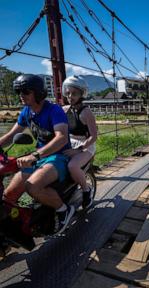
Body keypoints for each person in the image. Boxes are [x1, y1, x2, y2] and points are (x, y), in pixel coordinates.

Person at [0, 74, 74, 234]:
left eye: (25, 91)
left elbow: (61, 138)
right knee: (8, 196)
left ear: (38, 93)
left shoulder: (54, 110)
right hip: (40, 156)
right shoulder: (26, 112)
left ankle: (63, 209)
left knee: (32, 187)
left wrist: (35, 156)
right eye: (19, 91)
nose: (21, 95)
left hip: (58, 156)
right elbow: (11, 135)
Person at [62, 76, 97, 209]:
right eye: (68, 93)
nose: (70, 96)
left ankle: (86, 189)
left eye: (74, 93)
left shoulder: (86, 112)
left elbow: (93, 136)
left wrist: (79, 149)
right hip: (69, 142)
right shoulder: (65, 110)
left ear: (82, 94)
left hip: (85, 145)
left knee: (72, 166)